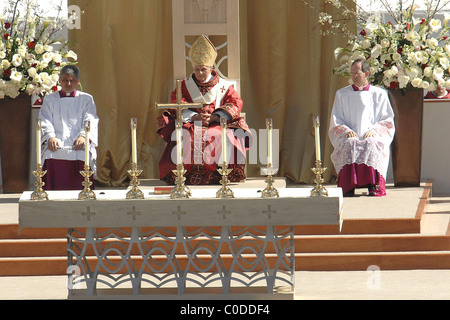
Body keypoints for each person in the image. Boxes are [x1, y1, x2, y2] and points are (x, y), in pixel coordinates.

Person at [157, 35, 252, 185]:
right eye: (197, 69)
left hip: (216, 123)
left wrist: (215, 117)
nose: (200, 73)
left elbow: (235, 102)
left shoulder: (224, 86)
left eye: (203, 69)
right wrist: (194, 116)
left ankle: (218, 173)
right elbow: (176, 102)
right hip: (192, 123)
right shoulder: (184, 85)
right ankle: (185, 173)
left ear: (211, 68)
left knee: (217, 134)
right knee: (185, 135)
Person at [329, 58, 395, 197]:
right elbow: (337, 119)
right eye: (352, 73)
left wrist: (374, 131)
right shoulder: (342, 94)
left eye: (357, 73)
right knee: (350, 144)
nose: (353, 76)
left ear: (366, 73)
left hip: (372, 135)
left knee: (370, 144)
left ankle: (373, 185)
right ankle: (348, 186)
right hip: (350, 135)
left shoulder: (379, 94)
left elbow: (387, 119)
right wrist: (347, 131)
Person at [39, 65, 99, 190]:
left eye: (72, 80)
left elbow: (90, 119)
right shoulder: (50, 100)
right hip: (56, 144)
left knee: (84, 155)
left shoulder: (86, 99)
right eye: (65, 80)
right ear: (60, 80)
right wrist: (50, 137)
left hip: (79, 145)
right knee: (49, 154)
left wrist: (83, 136)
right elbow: (45, 120)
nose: (68, 83)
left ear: (78, 82)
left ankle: (84, 193)